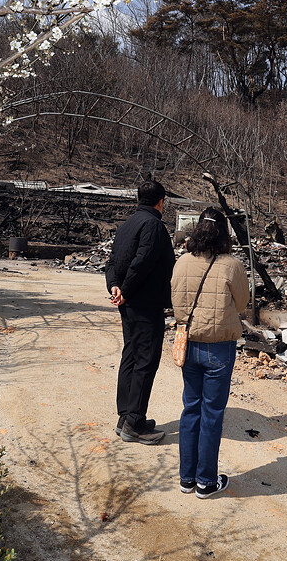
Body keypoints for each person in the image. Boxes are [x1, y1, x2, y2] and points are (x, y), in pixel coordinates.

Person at [171, 207, 249, 498]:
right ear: (224, 233)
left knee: (191, 409)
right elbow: (242, 304)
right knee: (212, 414)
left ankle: (187, 479)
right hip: (219, 347)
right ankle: (206, 481)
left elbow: (175, 300)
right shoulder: (232, 265)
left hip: (189, 344)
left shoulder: (182, 262)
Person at [106, 179, 175, 444]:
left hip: (129, 302)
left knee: (131, 356)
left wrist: (115, 286)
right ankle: (134, 423)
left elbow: (113, 262)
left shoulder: (127, 225)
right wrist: (126, 289)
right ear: (161, 202)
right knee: (146, 360)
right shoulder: (153, 226)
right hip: (145, 303)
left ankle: (125, 417)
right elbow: (142, 262)